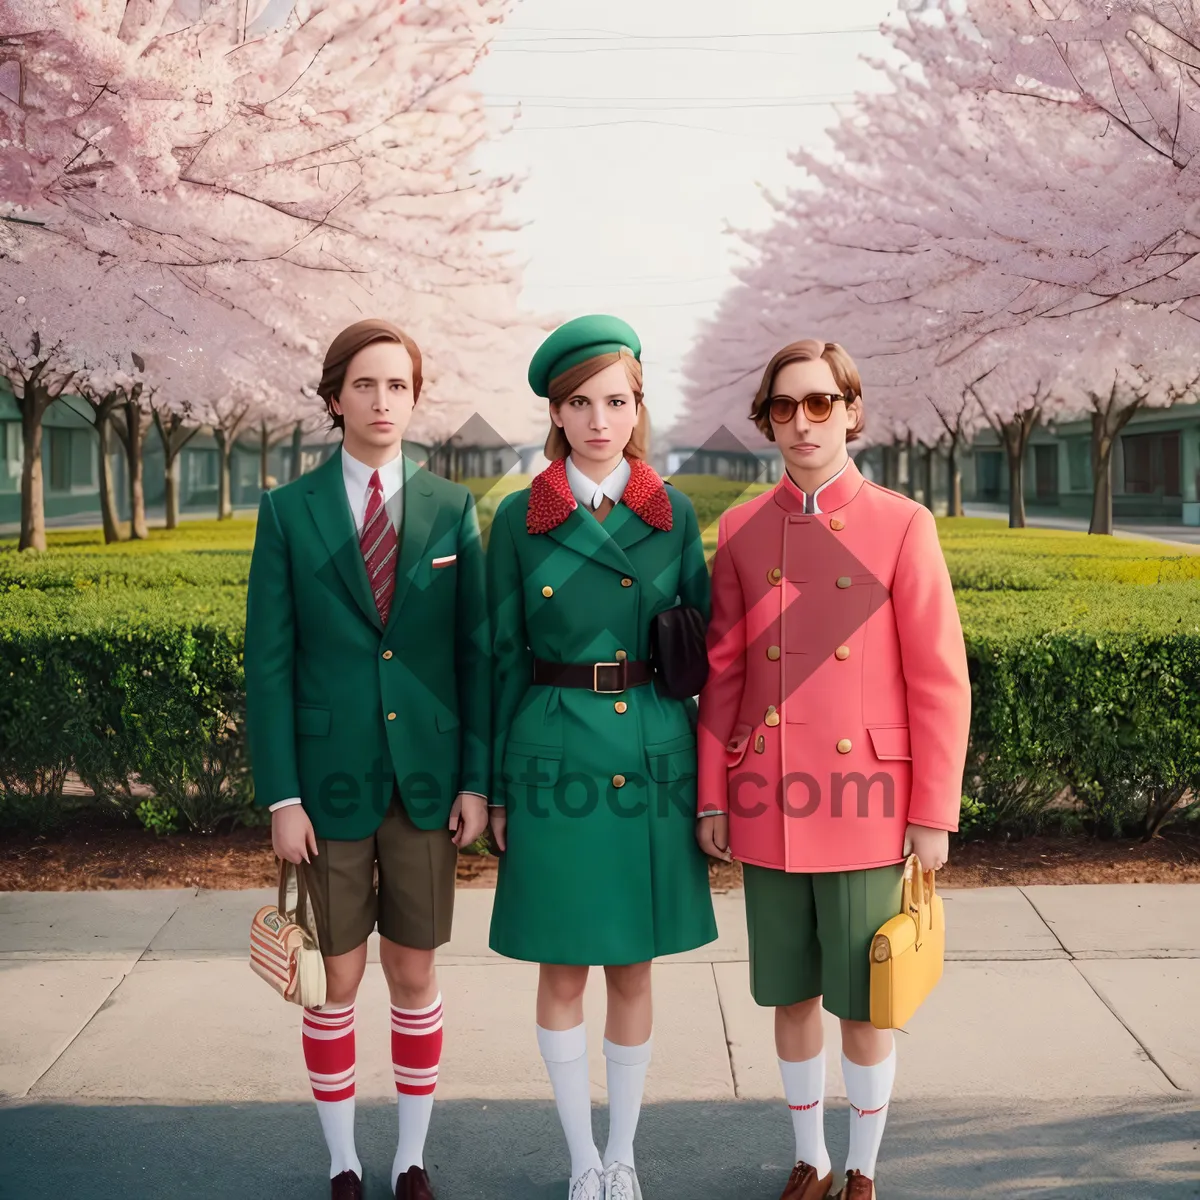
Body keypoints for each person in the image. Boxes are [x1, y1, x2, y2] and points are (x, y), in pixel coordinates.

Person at [695, 340, 971, 1200]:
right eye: (784, 406)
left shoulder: (902, 523)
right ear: (767, 420)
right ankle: (809, 1157)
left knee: (865, 1001)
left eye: (820, 403)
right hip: (770, 798)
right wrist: (713, 795)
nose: (803, 421)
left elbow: (938, 680)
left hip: (869, 805)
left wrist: (933, 811)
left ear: (851, 409)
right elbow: (724, 674)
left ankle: (862, 1167)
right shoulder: (741, 529)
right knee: (789, 997)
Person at [244, 319, 491, 1200]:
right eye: (364, 385)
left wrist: (474, 778)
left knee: (414, 971)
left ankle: (411, 1158)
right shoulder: (287, 511)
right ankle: (344, 1160)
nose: (382, 401)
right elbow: (268, 664)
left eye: (398, 386)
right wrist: (280, 796)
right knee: (337, 975)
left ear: (415, 399)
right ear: (335, 397)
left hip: (426, 783)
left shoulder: (453, 509)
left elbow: (475, 655)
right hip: (324, 784)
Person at [486, 314, 718, 1200]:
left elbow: (702, 654)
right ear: (555, 411)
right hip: (551, 749)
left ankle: (624, 1154)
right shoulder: (518, 518)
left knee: (633, 961)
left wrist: (708, 787)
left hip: (651, 745)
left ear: (637, 406)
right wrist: (497, 787)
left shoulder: (674, 513)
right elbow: (498, 657)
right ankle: (579, 1158)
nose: (598, 420)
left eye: (615, 401)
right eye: (578, 403)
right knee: (562, 963)